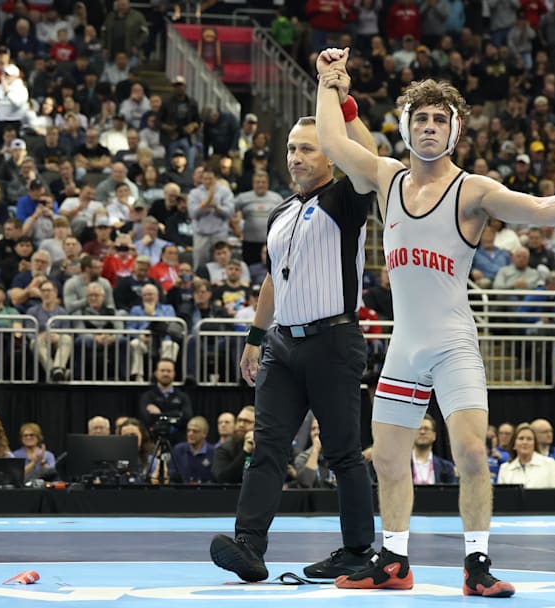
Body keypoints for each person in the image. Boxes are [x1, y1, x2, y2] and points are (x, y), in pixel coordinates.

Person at [314, 50, 555, 596]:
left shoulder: (473, 191)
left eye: (439, 119)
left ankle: (476, 564)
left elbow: (538, 208)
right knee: (386, 457)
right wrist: (326, 83)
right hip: (406, 344)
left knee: (474, 452)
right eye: (420, 119)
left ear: (454, 130)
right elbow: (335, 143)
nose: (429, 127)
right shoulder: (386, 178)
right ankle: (394, 562)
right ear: (407, 128)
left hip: (454, 344)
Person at [210, 104, 379, 584]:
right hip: (282, 345)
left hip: (333, 340)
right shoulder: (281, 211)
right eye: (291, 149)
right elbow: (272, 280)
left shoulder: (347, 199)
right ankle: (249, 547)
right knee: (266, 447)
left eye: (307, 148)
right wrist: (255, 337)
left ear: (330, 156)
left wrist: (343, 106)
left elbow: (368, 155)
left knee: (343, 452)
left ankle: (356, 551)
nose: (296, 157)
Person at [137, 358, 192, 446]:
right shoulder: (147, 396)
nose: (165, 374)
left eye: (169, 371)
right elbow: (146, 419)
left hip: (178, 443)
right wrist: (175, 415)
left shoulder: (182, 397)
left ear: (174, 373)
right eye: (162, 371)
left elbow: (186, 417)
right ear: (156, 373)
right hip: (153, 443)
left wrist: (159, 414)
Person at [495, 423, 555, 488]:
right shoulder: (505, 469)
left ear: (534, 444)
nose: (525, 442)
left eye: (529, 439)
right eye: (521, 438)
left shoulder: (549, 464)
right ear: (514, 444)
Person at [411, 414, 457, 485]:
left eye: (426, 429)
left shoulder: (447, 468)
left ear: (434, 435)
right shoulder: (401, 467)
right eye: (419, 428)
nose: (422, 432)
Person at [172, 416, 215, 484]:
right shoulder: (178, 450)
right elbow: (172, 472)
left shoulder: (213, 452)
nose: (190, 434)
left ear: (204, 434)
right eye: (188, 430)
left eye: (195, 431)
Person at [529, 417, 555, 485]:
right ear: (534, 434)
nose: (549, 435)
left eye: (551, 431)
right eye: (545, 432)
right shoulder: (527, 455)